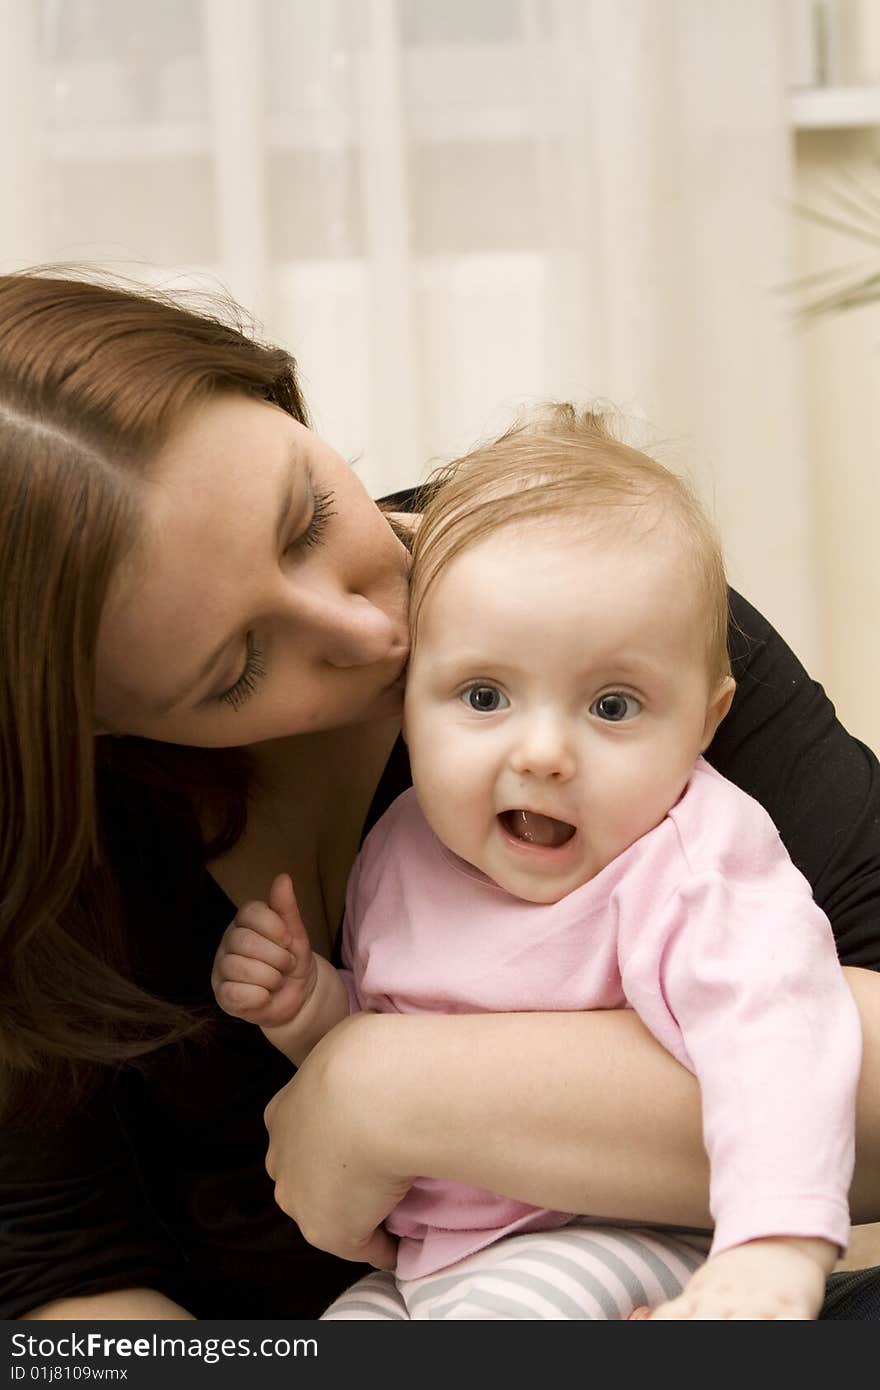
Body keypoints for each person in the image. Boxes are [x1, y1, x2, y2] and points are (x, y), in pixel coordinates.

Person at [0, 269, 878, 1323]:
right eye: (236, 668)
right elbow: (66, 1283)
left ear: (277, 396)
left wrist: (392, 1089)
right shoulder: (55, 852)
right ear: (98, 728)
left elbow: (815, 1019)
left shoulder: (602, 604)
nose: (370, 631)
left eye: (307, 516)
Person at [213, 407, 862, 1320]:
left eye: (613, 705)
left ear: (708, 720)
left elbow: (782, 1042)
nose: (546, 752)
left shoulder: (690, 862)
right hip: (428, 1259)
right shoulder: (407, 844)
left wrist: (771, 1253)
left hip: (614, 1231)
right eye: (485, 695)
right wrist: (309, 1007)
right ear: (406, 700)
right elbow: (391, 1025)